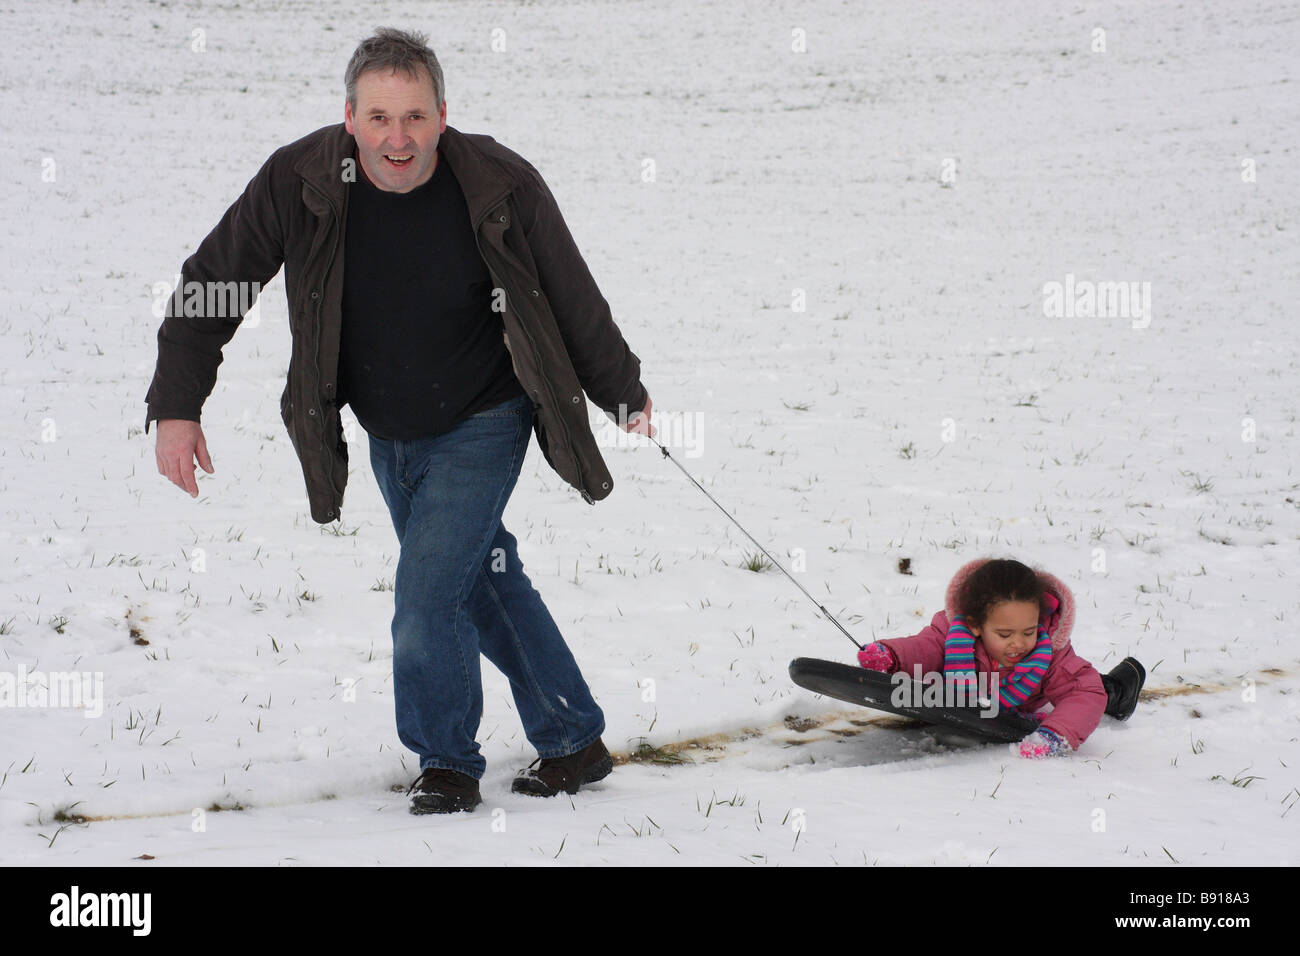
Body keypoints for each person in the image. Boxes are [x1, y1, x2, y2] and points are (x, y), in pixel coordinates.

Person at [144, 27, 655, 814]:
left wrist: (620, 391)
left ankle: (446, 760)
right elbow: (212, 283)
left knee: (426, 593)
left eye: (415, 117)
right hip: (388, 427)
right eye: (380, 117)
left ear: (442, 115)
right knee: (481, 583)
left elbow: (570, 291)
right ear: (348, 116)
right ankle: (573, 737)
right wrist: (177, 407)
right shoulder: (301, 180)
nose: (398, 138)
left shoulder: (498, 183)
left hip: (488, 413)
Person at [855, 557, 1146, 757]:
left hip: (1031, 696)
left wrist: (1055, 735)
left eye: (1028, 631)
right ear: (975, 624)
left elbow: (1084, 691)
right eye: (1005, 635)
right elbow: (925, 648)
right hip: (976, 690)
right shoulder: (951, 633)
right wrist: (890, 655)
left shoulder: (1050, 653)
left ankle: (1120, 690)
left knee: (1099, 691)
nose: (1018, 643)